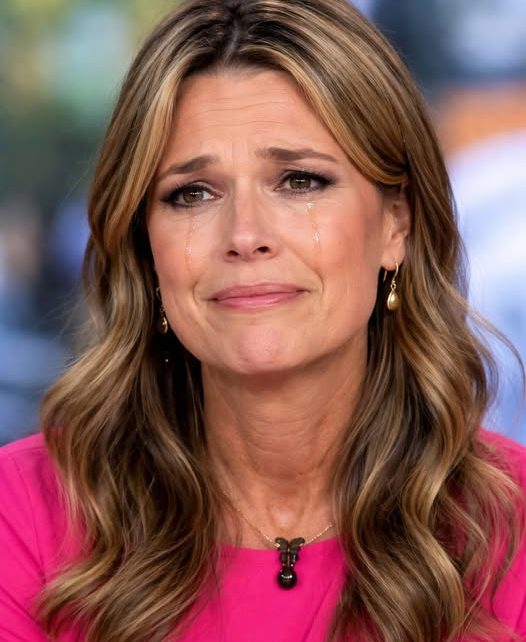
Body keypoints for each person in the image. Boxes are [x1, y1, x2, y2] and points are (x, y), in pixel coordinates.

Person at [0, 1, 525, 640]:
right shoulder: (24, 513)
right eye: (192, 194)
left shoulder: (511, 525)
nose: (245, 235)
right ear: (146, 246)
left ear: (396, 224)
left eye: (300, 181)